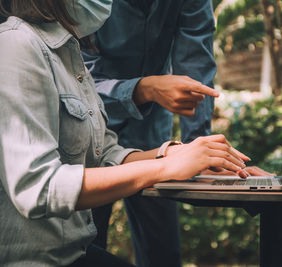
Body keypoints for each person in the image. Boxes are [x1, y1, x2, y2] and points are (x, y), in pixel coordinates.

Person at [0, 0, 250, 266]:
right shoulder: (18, 47)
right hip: (41, 255)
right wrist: (164, 166)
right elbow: (40, 188)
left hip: (138, 136)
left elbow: (104, 152)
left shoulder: (66, 51)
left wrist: (190, 152)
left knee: (163, 253)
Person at [82, 1, 219, 266]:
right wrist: (143, 89)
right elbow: (74, 81)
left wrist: (200, 152)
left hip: (152, 130)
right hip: (87, 128)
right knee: (85, 243)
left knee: (164, 252)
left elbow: (196, 66)